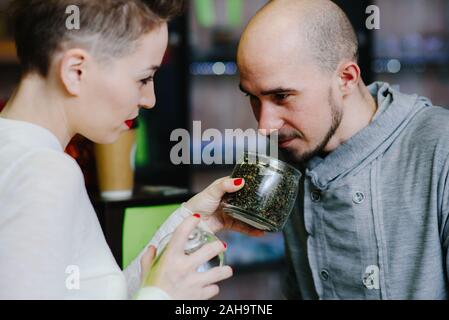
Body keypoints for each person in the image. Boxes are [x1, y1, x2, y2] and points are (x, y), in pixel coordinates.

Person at [0, 0, 262, 300]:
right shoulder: (45, 172)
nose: (150, 99)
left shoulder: (21, 154)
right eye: (143, 78)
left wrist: (192, 219)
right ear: (75, 71)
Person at [237, 0, 449, 299]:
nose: (265, 125)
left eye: (282, 96)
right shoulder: (294, 150)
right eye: (253, 97)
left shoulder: (440, 147)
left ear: (346, 78)